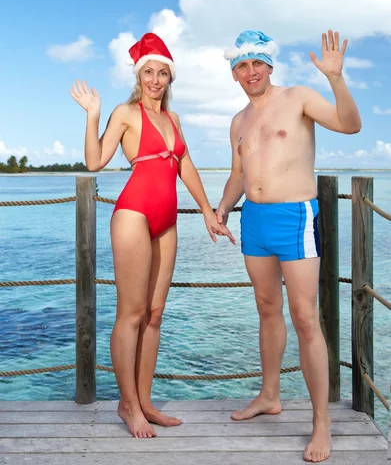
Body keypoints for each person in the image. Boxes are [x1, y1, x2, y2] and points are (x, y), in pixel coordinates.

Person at [70, 32, 235, 439]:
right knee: (131, 312)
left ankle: (145, 401)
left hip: (167, 221)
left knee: (155, 314)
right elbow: (94, 161)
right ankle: (127, 405)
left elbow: (187, 167)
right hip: (133, 215)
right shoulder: (126, 113)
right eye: (149, 72)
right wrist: (93, 114)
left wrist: (208, 211)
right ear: (138, 75)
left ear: (170, 78)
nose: (156, 79)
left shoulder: (174, 120)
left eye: (162, 73)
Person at [215, 29, 361, 463]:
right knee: (266, 307)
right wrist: (222, 208)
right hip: (253, 220)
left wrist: (336, 78)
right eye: (241, 66)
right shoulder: (238, 121)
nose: (250, 71)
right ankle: (269, 395)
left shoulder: (297, 96)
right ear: (234, 74)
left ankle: (321, 423)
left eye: (256, 63)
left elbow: (350, 125)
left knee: (304, 317)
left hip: (295, 216)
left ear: (269, 65)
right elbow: (239, 175)